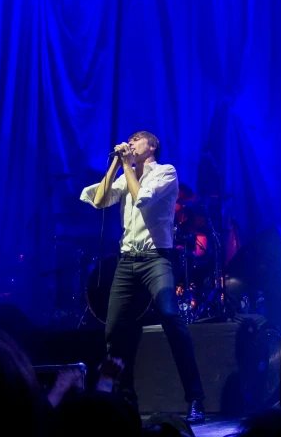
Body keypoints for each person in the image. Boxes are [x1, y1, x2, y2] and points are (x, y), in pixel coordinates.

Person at [80, 131, 205, 422]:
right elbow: (99, 201)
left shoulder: (165, 172)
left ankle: (196, 398)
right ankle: (127, 401)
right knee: (113, 332)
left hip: (156, 259)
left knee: (171, 319)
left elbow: (142, 200)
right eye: (130, 140)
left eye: (137, 139)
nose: (131, 143)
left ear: (152, 146)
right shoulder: (125, 174)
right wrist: (114, 165)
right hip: (127, 261)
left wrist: (126, 167)